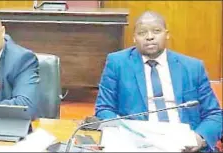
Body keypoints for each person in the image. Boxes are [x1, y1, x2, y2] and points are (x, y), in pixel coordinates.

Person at [95, 11, 222, 152]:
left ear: (167, 34)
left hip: (184, 145)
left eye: (156, 31)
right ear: (134, 38)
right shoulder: (117, 63)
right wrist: (124, 133)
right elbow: (104, 109)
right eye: (142, 33)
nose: (150, 37)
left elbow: (214, 114)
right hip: (138, 144)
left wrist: (199, 138)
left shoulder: (192, 67)